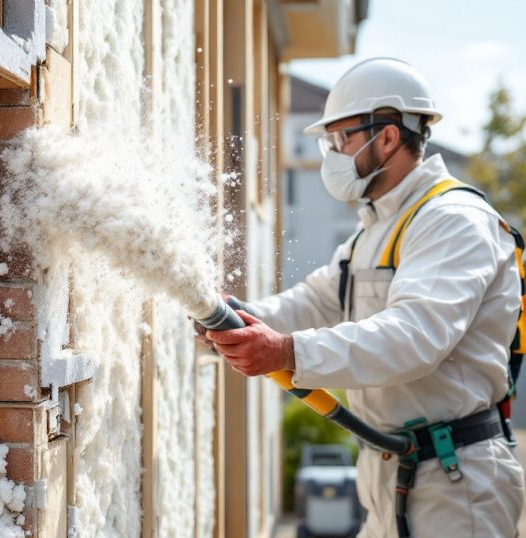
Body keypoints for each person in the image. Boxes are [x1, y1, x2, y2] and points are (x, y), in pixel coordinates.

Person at [205, 58, 525, 537]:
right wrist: (232, 318)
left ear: (389, 136)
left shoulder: (452, 220)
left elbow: (414, 338)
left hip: (457, 485)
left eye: (342, 139)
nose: (333, 152)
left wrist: (287, 351)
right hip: (392, 470)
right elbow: (311, 303)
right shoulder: (373, 231)